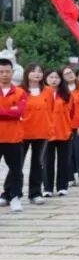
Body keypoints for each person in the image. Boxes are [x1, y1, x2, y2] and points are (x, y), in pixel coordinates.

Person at [20, 64, 51, 205]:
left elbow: (50, 111)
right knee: (17, 164)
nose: (37, 74)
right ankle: (9, 192)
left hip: (41, 132)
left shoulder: (48, 91)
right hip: (22, 132)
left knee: (37, 163)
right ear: (27, 73)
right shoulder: (19, 90)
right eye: (33, 71)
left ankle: (35, 193)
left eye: (39, 71)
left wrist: (50, 128)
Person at [0, 58, 27, 213]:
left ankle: (15, 197)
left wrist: (7, 112)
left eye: (7, 71)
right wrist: (10, 110)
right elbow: (13, 112)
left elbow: (19, 112)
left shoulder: (20, 92)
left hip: (14, 137)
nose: (4, 75)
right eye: (1, 72)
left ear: (12, 72)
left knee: (16, 170)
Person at [43, 69, 72, 198]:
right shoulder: (42, 93)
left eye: (56, 77)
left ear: (61, 79)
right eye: (51, 77)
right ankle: (47, 188)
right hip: (47, 133)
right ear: (45, 78)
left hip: (63, 131)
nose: (54, 80)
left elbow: (72, 112)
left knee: (63, 161)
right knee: (47, 161)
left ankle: (62, 186)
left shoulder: (66, 94)